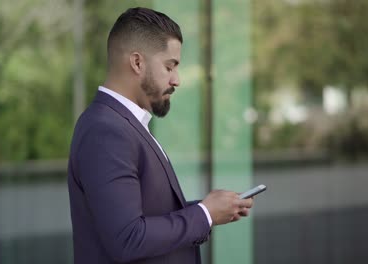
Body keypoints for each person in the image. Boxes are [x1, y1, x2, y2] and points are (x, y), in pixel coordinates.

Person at [67, 7, 254, 264]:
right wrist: (204, 214)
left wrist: (211, 209)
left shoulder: (123, 124)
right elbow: (128, 238)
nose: (176, 79)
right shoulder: (106, 131)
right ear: (137, 62)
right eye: (170, 66)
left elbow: (145, 217)